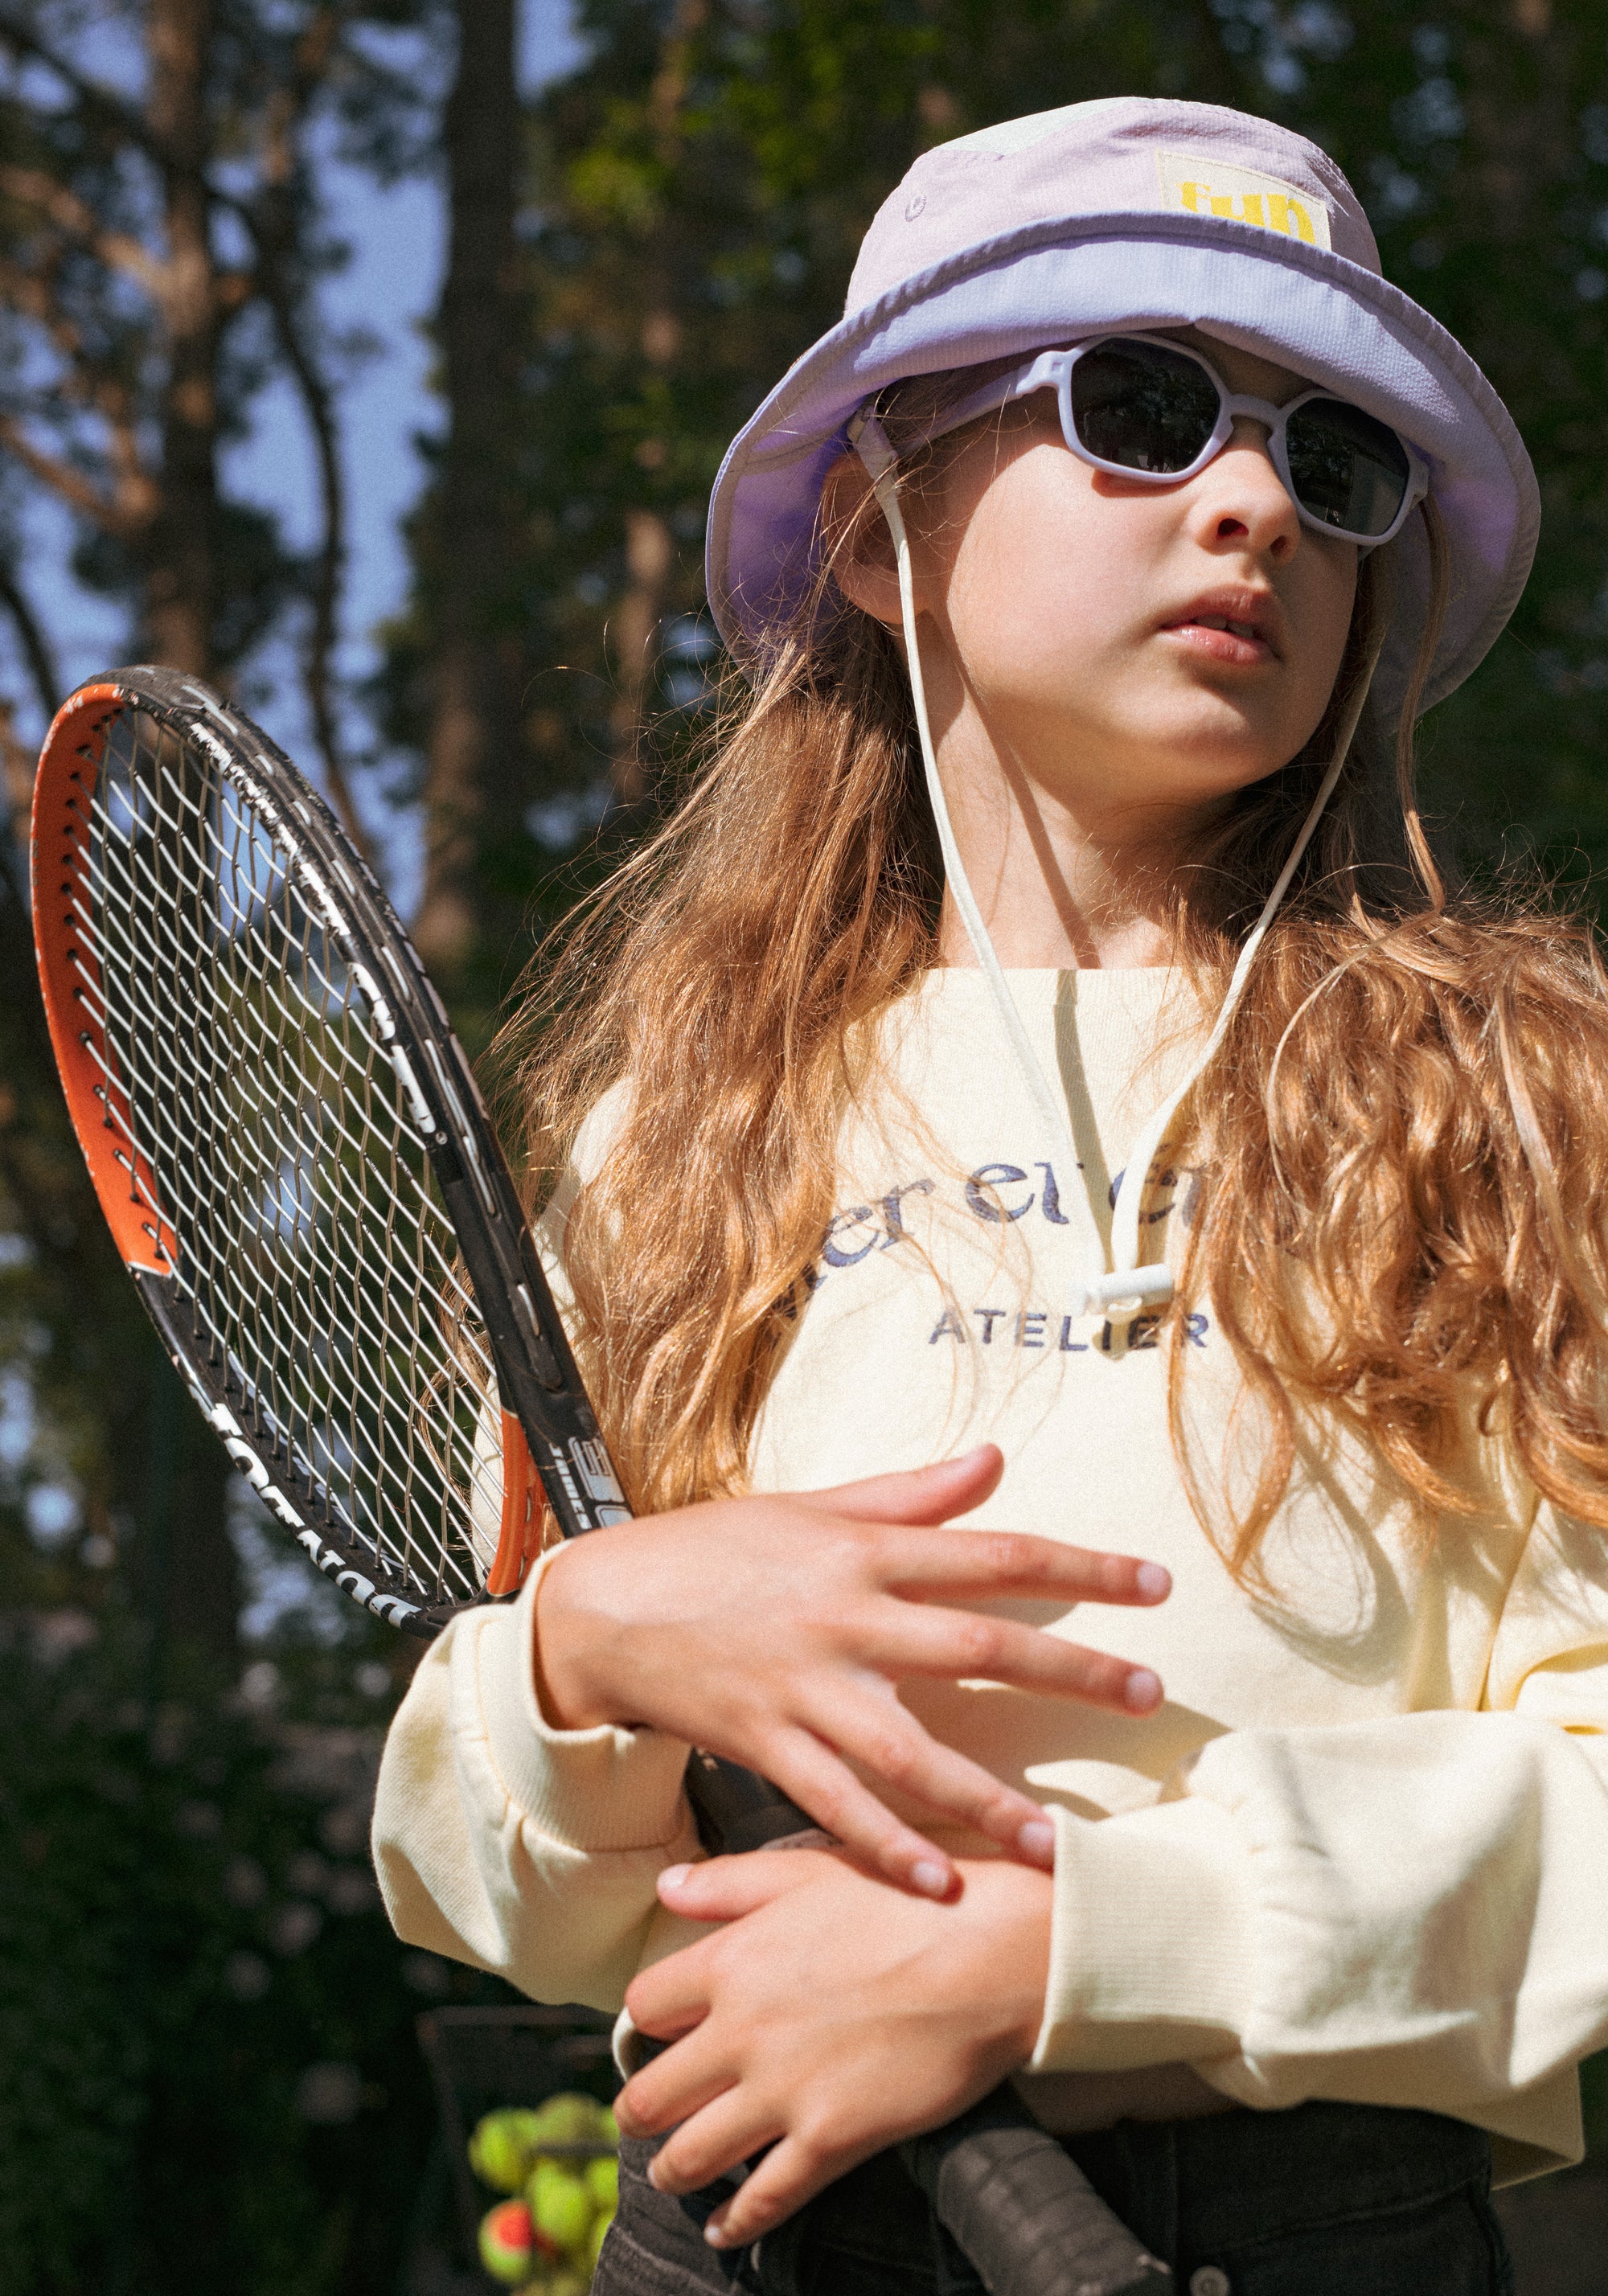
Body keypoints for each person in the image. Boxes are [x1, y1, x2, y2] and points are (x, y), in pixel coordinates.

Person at [372, 98, 1608, 2295]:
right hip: (744, 2225)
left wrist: (1086, 1944)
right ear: (879, 527)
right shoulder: (677, 1130)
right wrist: (586, 1650)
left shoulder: (1511, 1106)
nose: (1252, 502)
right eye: (1143, 408)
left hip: (1313, 2226)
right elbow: (487, 1873)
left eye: (1338, 467)